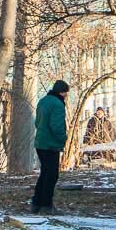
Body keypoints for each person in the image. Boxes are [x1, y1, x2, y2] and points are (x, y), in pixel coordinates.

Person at [32, 80, 70, 214]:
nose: (66, 95)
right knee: (52, 175)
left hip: (40, 143)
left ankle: (36, 203)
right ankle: (46, 205)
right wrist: (63, 139)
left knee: (45, 173)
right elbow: (57, 126)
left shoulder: (43, 101)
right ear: (62, 92)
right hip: (51, 144)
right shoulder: (58, 104)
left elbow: (37, 122)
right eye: (66, 93)